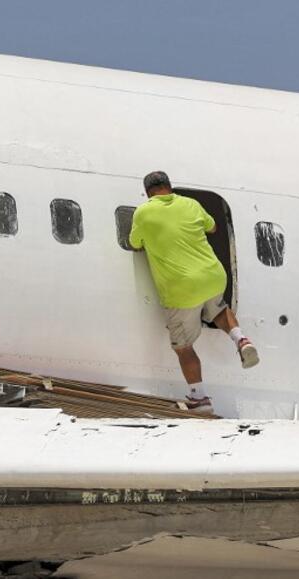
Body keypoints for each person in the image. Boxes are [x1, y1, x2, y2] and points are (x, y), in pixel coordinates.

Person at [128, 170, 259, 415]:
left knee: (183, 347)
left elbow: (135, 243)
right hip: (212, 276)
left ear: (148, 193)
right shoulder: (190, 203)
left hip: (181, 289)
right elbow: (213, 227)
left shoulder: (144, 212)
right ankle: (241, 339)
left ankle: (199, 399)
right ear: (169, 186)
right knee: (219, 310)